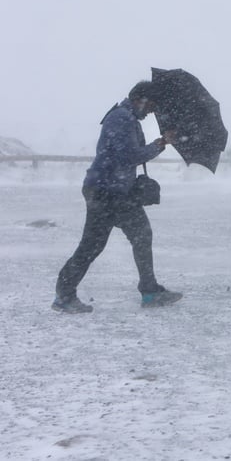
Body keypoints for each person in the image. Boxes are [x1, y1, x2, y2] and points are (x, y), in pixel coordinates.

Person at [52, 81, 182, 313]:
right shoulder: (121, 118)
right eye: (150, 105)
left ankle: (149, 290)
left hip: (114, 191)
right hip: (107, 192)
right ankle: (65, 295)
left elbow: (127, 156)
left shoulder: (127, 118)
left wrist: (161, 142)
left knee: (134, 236)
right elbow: (128, 156)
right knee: (95, 245)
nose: (151, 111)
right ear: (139, 99)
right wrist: (160, 143)